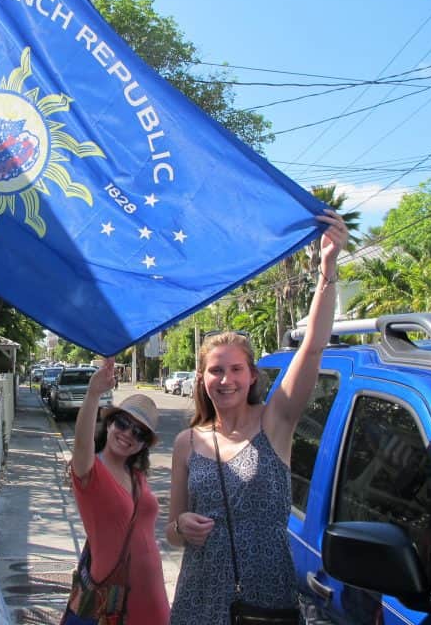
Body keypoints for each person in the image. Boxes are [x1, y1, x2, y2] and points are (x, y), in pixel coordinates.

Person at [167, 210, 349, 624]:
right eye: (216, 370)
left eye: (235, 370)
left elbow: (313, 350)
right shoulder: (186, 443)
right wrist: (181, 525)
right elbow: (171, 533)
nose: (226, 379)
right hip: (198, 604)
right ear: (202, 379)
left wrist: (327, 272)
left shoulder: (275, 422)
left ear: (251, 376)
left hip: (267, 605)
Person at [68, 356, 170, 624]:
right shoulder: (90, 472)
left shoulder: (136, 475)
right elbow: (81, 444)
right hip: (113, 600)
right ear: (110, 423)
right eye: (123, 423)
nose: (128, 434)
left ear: (144, 444)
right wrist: (93, 394)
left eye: (139, 433)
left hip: (152, 594)